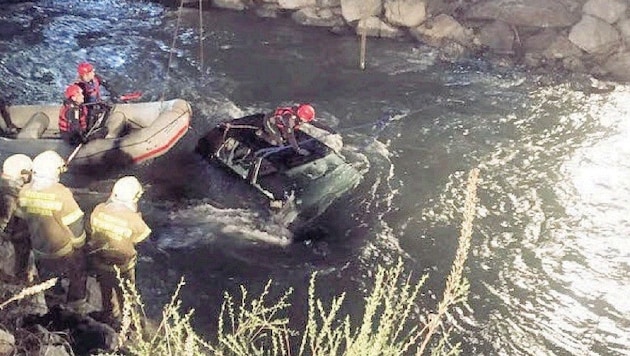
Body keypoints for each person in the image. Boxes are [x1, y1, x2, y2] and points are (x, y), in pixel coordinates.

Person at [16, 150, 88, 311]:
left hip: (39, 250)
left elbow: (21, 221)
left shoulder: (25, 191)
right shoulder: (62, 194)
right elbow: (75, 224)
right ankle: (77, 308)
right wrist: (79, 246)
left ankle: (52, 308)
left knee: (48, 282)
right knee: (78, 274)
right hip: (62, 250)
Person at [86, 176, 151, 329]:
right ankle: (130, 323)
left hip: (100, 262)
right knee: (127, 294)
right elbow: (141, 238)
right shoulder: (133, 219)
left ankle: (108, 314)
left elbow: (92, 230)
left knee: (106, 290)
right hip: (123, 267)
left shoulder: (99, 209)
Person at [0, 154, 33, 282]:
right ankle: (18, 277)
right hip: (9, 248)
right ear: (23, 174)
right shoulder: (15, 196)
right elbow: (8, 228)